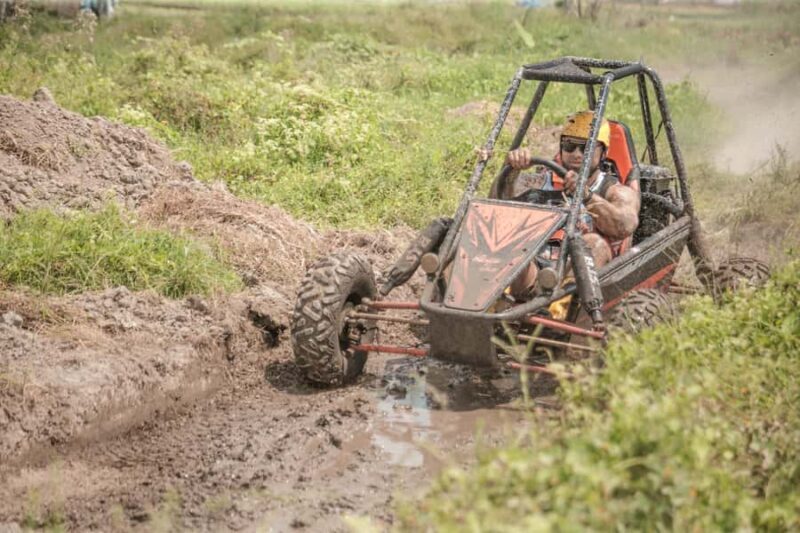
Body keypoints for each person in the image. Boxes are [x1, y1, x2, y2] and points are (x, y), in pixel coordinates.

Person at [502, 110, 640, 297]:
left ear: (604, 152)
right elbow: (498, 204)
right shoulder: (540, 180)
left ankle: (561, 310)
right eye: (569, 146)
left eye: (586, 148)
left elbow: (625, 224)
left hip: (578, 276)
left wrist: (587, 196)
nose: (576, 154)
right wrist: (511, 172)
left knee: (594, 243)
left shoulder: (614, 190)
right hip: (534, 267)